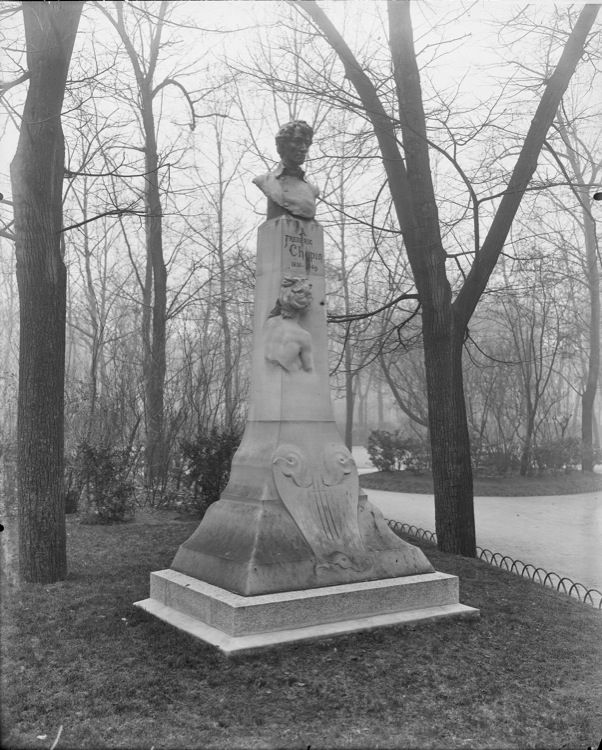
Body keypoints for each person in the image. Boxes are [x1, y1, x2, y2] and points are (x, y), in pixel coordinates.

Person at [253, 120, 320, 220]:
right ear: (283, 144)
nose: (304, 148)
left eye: (307, 143)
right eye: (298, 141)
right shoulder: (265, 181)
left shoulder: (312, 190)